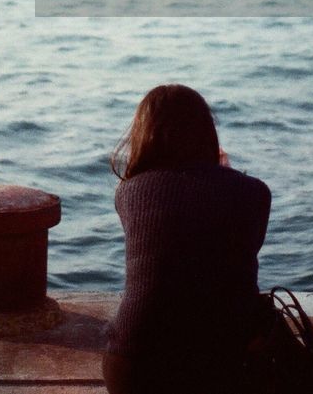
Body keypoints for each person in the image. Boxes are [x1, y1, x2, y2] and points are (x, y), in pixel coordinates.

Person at [103, 84, 271, 394]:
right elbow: (239, 254)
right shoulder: (254, 192)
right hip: (218, 369)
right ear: (208, 133)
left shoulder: (128, 193)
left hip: (131, 372)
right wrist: (226, 174)